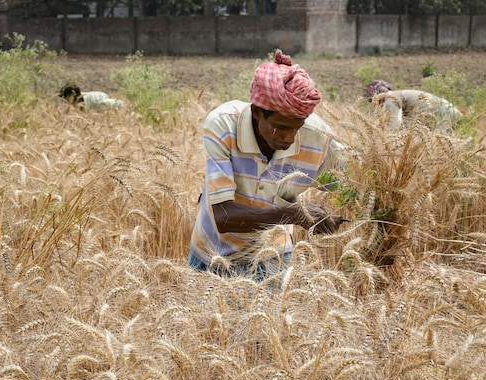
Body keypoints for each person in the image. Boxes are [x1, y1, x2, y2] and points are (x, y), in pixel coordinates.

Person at [188, 50, 347, 281]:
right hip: (211, 254)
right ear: (257, 112)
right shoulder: (223, 125)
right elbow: (223, 217)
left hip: (272, 258)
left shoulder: (319, 138)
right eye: (280, 127)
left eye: (297, 128)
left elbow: (359, 181)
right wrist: (293, 213)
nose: (289, 138)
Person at [364, 79, 463, 132]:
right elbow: (406, 124)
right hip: (451, 111)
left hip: (443, 116)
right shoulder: (399, 96)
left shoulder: (390, 98)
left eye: (371, 99)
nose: (373, 103)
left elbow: (392, 127)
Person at [58, 83, 124, 111]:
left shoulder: (99, 104)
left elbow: (119, 103)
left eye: (65, 98)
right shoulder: (76, 100)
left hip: (101, 99)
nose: (64, 100)